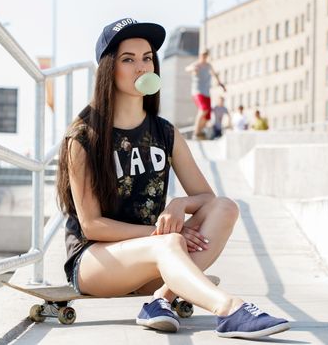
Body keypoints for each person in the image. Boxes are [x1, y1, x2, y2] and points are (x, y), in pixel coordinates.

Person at [56, 18, 289, 339]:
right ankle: (229, 309)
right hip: (96, 261)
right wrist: (157, 234)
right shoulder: (83, 137)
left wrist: (179, 205)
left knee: (225, 208)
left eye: (147, 58)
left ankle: (159, 300)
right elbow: (92, 225)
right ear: (109, 69)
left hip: (157, 256)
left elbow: (206, 199)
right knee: (170, 242)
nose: (141, 66)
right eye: (128, 59)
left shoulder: (165, 132)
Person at [185, 50, 226, 140]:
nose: (204, 57)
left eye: (206, 55)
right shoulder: (196, 65)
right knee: (204, 109)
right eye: (203, 55)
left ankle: (200, 131)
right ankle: (195, 133)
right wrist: (193, 69)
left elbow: (215, 75)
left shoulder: (208, 66)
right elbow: (187, 68)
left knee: (207, 117)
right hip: (197, 92)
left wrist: (221, 84)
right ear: (200, 55)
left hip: (206, 93)